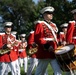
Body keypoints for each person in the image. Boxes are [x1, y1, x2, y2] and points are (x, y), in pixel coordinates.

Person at [34, 6, 62, 75]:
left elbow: (56, 38)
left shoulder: (53, 25)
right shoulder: (40, 24)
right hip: (44, 52)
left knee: (58, 71)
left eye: (52, 13)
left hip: (54, 51)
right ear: (44, 15)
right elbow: (38, 38)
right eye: (49, 13)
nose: (51, 15)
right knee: (40, 72)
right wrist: (47, 46)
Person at [66, 9, 76, 75]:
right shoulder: (72, 23)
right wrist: (70, 45)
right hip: (74, 45)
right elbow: (69, 36)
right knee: (73, 64)